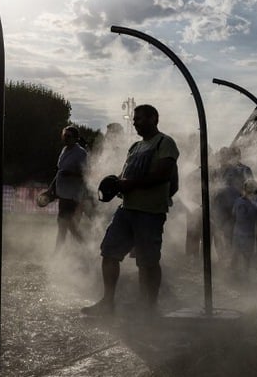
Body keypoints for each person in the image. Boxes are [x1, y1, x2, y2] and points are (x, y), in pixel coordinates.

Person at [82, 104, 178, 316]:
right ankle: (108, 302)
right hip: (127, 209)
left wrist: (130, 184)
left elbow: (163, 175)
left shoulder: (165, 143)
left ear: (154, 118)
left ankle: (148, 308)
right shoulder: (135, 147)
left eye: (140, 118)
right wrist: (117, 183)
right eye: (134, 118)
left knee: (148, 262)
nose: (134, 122)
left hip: (150, 212)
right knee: (109, 252)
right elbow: (128, 173)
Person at [53, 125, 88, 249]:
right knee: (65, 226)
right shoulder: (65, 150)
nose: (65, 138)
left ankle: (84, 248)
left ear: (76, 138)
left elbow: (86, 174)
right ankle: (83, 249)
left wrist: (71, 174)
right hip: (63, 195)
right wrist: (51, 189)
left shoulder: (81, 153)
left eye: (68, 136)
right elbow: (60, 172)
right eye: (64, 135)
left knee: (67, 225)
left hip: (73, 196)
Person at [231, 178, 257, 273]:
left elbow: (233, 213)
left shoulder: (248, 202)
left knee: (245, 255)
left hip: (247, 233)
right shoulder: (241, 202)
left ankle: (243, 274)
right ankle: (235, 274)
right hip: (241, 233)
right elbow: (239, 217)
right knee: (237, 254)